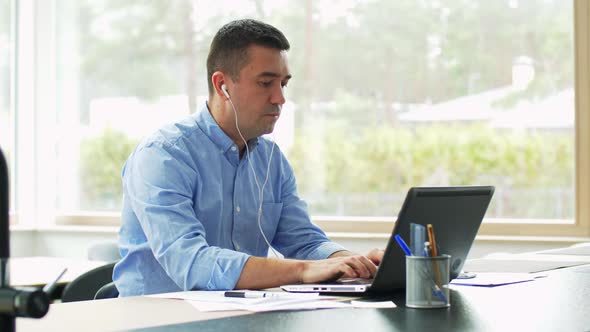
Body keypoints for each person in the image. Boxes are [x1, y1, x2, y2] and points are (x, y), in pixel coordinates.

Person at [113, 19, 383, 296]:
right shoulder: (163, 155)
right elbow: (190, 262)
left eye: (283, 84)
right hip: (157, 319)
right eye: (266, 83)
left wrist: (354, 262)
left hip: (239, 316)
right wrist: (302, 270)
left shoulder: (270, 160)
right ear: (222, 85)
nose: (279, 98)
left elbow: (303, 241)